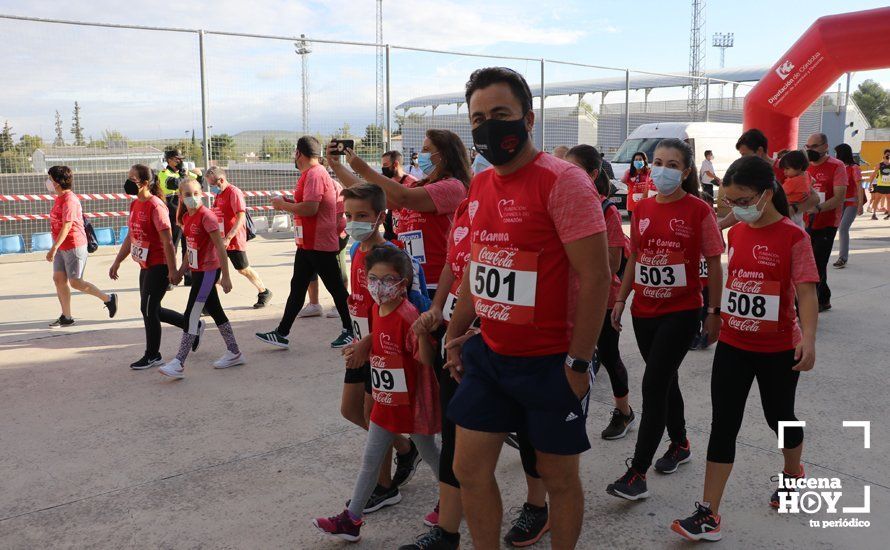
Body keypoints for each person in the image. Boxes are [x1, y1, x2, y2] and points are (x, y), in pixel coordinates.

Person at [444, 67, 612, 549]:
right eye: (478, 118)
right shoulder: (479, 188)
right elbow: (481, 269)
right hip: (490, 356)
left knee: (557, 479)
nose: (488, 127)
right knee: (468, 468)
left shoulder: (564, 182)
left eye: (500, 114)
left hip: (550, 363)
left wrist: (579, 362)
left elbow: (596, 276)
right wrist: (458, 333)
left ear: (529, 119)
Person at [671, 155, 818, 542]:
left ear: (767, 194)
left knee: (779, 417)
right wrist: (716, 314)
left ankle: (793, 473)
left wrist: (810, 340)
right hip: (735, 345)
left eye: (741, 200)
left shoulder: (794, 236)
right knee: (724, 424)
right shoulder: (736, 234)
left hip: (777, 348)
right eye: (730, 202)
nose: (735, 209)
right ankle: (708, 512)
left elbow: (806, 291)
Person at [606, 138, 724, 501]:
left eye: (672, 165)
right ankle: (681, 443)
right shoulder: (640, 209)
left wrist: (713, 312)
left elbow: (715, 264)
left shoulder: (698, 210)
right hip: (645, 313)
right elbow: (637, 258)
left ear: (686, 172)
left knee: (654, 384)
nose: (662, 170)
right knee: (665, 379)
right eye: (658, 162)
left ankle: (637, 472)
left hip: (681, 312)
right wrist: (622, 298)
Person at [312, 246, 442, 544]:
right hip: (386, 399)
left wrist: (422, 334)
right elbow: (380, 341)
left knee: (431, 454)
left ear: (403, 283)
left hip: (409, 402)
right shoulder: (375, 309)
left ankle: (452, 495)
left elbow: (424, 359)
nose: (379, 286)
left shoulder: (409, 315)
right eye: (373, 279)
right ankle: (352, 518)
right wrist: (362, 349)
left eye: (388, 280)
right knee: (372, 459)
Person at [338, 184, 423, 518]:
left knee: (377, 415)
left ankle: (385, 488)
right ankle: (404, 446)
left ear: (380, 217)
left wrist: (368, 341)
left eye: (361, 216)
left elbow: (391, 311)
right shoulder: (357, 250)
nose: (353, 222)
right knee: (350, 409)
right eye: (348, 215)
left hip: (380, 348)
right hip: (361, 342)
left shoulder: (389, 257)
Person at [328, 129, 469, 293]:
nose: (420, 154)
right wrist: (337, 167)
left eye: (426, 149)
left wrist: (364, 169)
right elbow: (369, 195)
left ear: (443, 154)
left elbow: (404, 197)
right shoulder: (420, 185)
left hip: (435, 282)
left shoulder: (452, 186)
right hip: (411, 276)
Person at [256, 136, 353, 349]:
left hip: (319, 242)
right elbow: (306, 205)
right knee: (298, 287)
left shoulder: (315, 174)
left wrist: (283, 205)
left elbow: (310, 208)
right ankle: (281, 333)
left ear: (298, 153)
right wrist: (289, 203)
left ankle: (352, 329)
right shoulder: (310, 174)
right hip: (308, 243)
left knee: (336, 288)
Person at [566, 144, 636, 440]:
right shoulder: (565, 205)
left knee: (608, 354)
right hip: (571, 298)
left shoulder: (606, 210)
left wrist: (578, 249)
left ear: (593, 174)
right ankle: (564, 413)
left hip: (602, 298)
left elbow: (614, 262)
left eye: (575, 171)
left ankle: (624, 412)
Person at [158, 180, 244, 378]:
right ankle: (234, 352)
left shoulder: (207, 217)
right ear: (180, 196)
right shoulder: (187, 217)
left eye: (196, 192)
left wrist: (227, 277)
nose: (192, 197)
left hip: (208, 272)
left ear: (202, 193)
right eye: (187, 194)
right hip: (197, 272)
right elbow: (190, 248)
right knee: (216, 311)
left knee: (191, 315)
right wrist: (180, 271)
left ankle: (179, 362)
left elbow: (221, 248)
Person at [110, 164, 185, 369]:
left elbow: (168, 241)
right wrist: (118, 261)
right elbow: (130, 236)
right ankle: (191, 325)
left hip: (159, 264)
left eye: (132, 179)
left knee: (148, 309)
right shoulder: (135, 205)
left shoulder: (156, 205)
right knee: (152, 309)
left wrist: (172, 270)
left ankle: (153, 354)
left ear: (144, 183)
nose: (128, 182)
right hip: (144, 264)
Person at [45, 165, 117, 327]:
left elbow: (67, 226)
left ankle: (108, 298)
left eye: (50, 178)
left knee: (76, 282)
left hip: (73, 245)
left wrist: (54, 247)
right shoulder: (59, 198)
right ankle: (66, 316)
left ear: (57, 182)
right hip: (61, 246)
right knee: (59, 279)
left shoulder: (70, 200)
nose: (48, 182)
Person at [720, 129, 818, 229]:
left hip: (787, 230)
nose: (741, 159)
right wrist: (720, 225)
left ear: (759, 151)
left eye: (744, 154)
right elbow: (742, 205)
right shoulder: (749, 173)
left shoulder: (787, 169)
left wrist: (793, 209)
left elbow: (815, 198)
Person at [205, 167, 272, 307]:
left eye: (212, 185)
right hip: (220, 239)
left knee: (243, 269)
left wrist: (229, 237)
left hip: (233, 239)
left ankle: (263, 291)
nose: (211, 188)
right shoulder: (219, 194)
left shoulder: (233, 192)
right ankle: (210, 304)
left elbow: (240, 216)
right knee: (212, 269)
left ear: (221, 180)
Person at [803, 133, 848, 312]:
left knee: (816, 265)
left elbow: (839, 198)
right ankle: (824, 298)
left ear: (825, 146)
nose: (810, 150)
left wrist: (818, 208)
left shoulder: (837, 166)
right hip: (806, 223)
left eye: (814, 146)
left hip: (827, 223)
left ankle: (807, 308)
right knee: (813, 263)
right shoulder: (804, 166)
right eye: (808, 147)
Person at [157, 149, 201, 284]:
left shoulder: (183, 173)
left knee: (188, 246)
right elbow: (174, 184)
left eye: (181, 159)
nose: (180, 161)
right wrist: (184, 175)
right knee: (172, 246)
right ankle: (169, 277)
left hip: (186, 213)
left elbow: (198, 183)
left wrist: (199, 174)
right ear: (169, 160)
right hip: (173, 213)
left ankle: (188, 276)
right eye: (177, 159)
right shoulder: (164, 173)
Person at [833, 143, 862, 268]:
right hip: (840, 202)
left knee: (843, 228)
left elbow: (859, 187)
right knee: (838, 227)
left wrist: (860, 204)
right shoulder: (838, 167)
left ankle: (843, 257)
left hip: (852, 202)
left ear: (842, 153)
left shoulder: (854, 168)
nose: (835, 155)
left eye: (836, 153)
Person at [379, 150, 418, 240]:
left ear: (395, 164)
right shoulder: (384, 181)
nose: (383, 168)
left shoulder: (413, 183)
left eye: (385, 165)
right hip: (390, 226)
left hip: (407, 229)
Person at [778, 150, 813, 228]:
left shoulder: (794, 181)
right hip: (799, 211)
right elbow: (813, 181)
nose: (784, 172)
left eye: (787, 169)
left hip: (790, 209)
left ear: (799, 167)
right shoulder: (806, 174)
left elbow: (780, 193)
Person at [623, 151, 653, 218]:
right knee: (634, 227)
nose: (638, 161)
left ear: (644, 161)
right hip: (632, 206)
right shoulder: (629, 172)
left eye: (640, 159)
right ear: (633, 162)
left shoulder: (649, 172)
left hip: (646, 205)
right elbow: (622, 182)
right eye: (636, 160)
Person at [867, 149, 890, 219]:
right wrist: (870, 184)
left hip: (888, 185)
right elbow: (873, 175)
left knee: (889, 199)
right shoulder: (879, 165)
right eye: (887, 155)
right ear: (884, 155)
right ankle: (874, 214)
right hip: (880, 185)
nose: (888, 156)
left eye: (889, 155)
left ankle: (889, 214)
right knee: (877, 199)